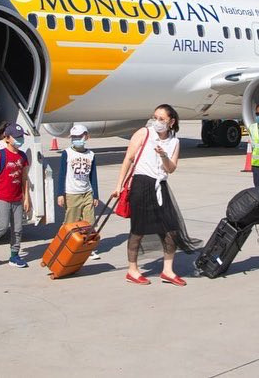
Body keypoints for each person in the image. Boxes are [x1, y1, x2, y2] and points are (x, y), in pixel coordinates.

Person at [111, 104, 197, 286]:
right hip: (141, 183)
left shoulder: (175, 141)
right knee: (138, 229)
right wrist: (119, 185)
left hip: (160, 185)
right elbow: (128, 158)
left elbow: (171, 168)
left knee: (171, 229)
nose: (157, 122)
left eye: (162, 119)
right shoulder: (144, 133)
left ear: (171, 122)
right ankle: (132, 270)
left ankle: (167, 270)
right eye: (155, 117)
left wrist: (164, 155)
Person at [0, 124, 31, 267]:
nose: (20, 140)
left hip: (17, 198)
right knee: (2, 226)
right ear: (7, 138)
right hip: (2, 197)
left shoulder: (22, 156)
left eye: (21, 137)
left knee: (18, 228)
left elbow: (24, 178)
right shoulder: (0, 155)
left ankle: (14, 255)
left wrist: (26, 197)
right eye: (17, 137)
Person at [57, 124, 101, 259]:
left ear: (86, 136)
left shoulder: (91, 155)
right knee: (71, 221)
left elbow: (93, 176)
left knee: (89, 222)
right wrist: (60, 193)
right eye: (74, 137)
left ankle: (88, 247)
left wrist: (95, 195)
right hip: (72, 193)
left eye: (79, 137)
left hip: (87, 192)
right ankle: (64, 245)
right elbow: (62, 174)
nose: (76, 139)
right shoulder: (67, 153)